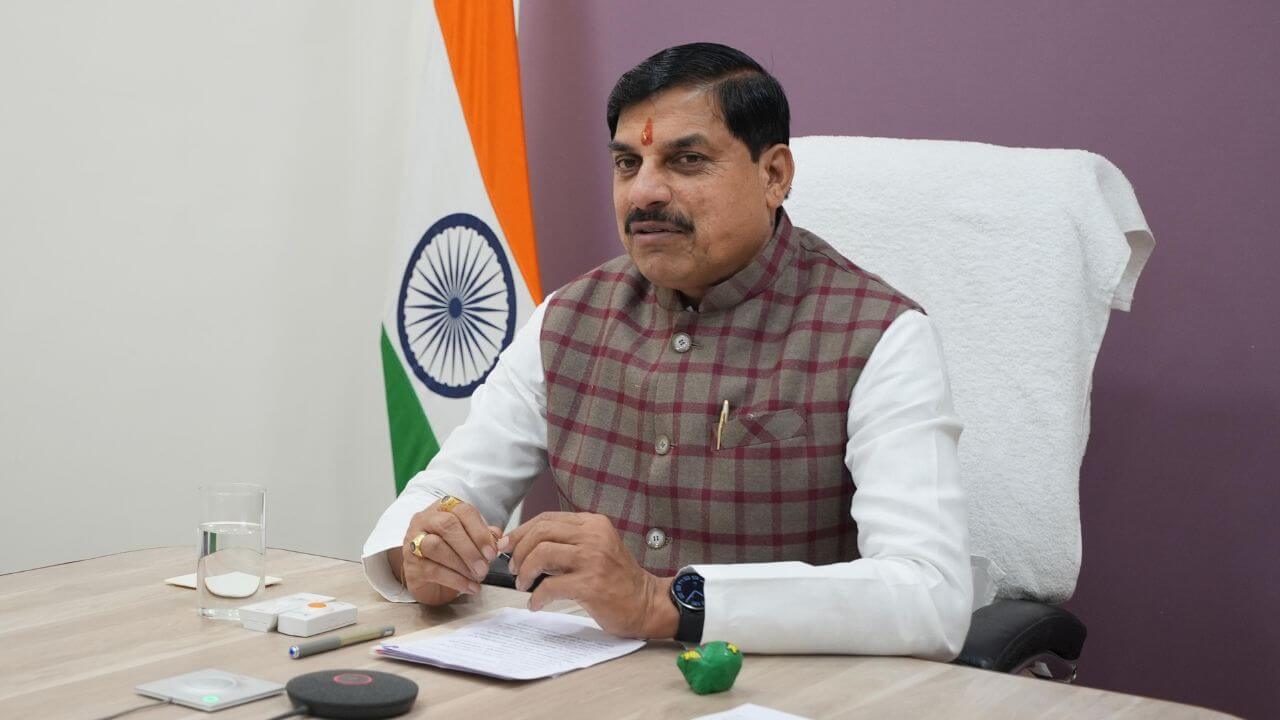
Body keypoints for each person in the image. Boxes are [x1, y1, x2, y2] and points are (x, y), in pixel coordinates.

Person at [364, 42, 972, 659]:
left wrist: (662, 602)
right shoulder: (567, 319)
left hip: (782, 687)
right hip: (581, 681)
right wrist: (422, 552)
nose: (645, 192)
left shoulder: (878, 335)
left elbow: (929, 596)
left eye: (687, 160)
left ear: (774, 175)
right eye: (628, 163)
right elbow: (447, 488)